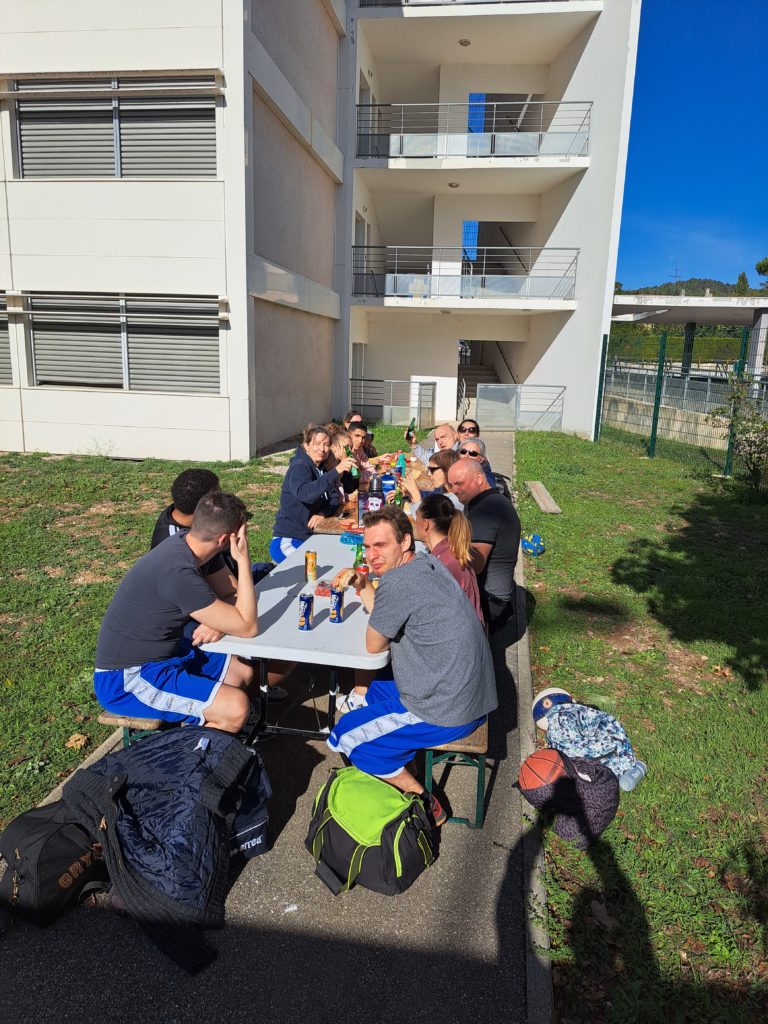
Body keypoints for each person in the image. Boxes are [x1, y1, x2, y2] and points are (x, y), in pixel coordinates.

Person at [327, 507, 497, 825]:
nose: (372, 555)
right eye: (367, 547)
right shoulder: (426, 563)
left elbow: (373, 644)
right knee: (370, 691)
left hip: (448, 708)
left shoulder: (398, 582)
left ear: (405, 541)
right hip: (469, 690)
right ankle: (401, 758)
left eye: (381, 545)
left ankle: (425, 802)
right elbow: (389, 618)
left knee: (345, 736)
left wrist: (374, 592)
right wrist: (364, 586)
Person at [94, 492, 258, 733]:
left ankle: (216, 737)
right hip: (126, 678)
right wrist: (243, 560)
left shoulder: (189, 545)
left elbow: (231, 593)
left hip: (166, 654)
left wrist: (219, 621)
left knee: (241, 672)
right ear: (225, 539)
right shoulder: (178, 573)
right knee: (236, 708)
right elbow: (248, 627)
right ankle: (198, 754)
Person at [447, 459, 521, 634]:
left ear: (479, 478)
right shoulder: (488, 501)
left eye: (459, 483)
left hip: (490, 602)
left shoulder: (487, 510)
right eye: (451, 485)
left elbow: (474, 564)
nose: (454, 490)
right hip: (493, 595)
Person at [270, 425, 356, 563]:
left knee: (342, 557)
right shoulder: (299, 466)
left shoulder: (321, 468)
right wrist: (335, 472)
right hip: (288, 540)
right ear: (306, 445)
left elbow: (334, 499)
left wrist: (322, 513)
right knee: (316, 566)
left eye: (326, 445)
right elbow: (305, 494)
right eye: (317, 444)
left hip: (311, 537)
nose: (322, 449)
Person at [414, 493, 484, 624]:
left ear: (425, 523)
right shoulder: (451, 550)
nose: (415, 522)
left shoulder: (440, 565)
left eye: (416, 516)